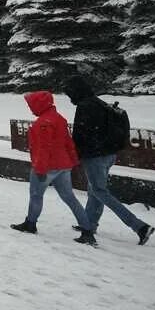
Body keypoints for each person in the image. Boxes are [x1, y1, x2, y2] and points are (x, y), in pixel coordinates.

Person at [64, 75, 155, 246]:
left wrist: (75, 154)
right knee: (95, 190)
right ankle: (89, 224)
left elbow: (81, 135)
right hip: (109, 154)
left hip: (95, 156)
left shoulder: (85, 106)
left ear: (75, 91)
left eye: (70, 94)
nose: (70, 98)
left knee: (99, 191)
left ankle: (139, 227)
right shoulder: (98, 102)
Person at [10, 91, 97, 246]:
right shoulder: (59, 119)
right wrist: (74, 161)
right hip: (63, 166)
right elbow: (68, 142)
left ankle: (30, 224)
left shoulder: (43, 123)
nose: (30, 109)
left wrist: (40, 170)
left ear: (40, 105)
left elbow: (43, 148)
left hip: (47, 166)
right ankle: (87, 231)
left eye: (32, 105)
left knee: (36, 196)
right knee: (70, 198)